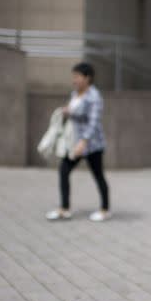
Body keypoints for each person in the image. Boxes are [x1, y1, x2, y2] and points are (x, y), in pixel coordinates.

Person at [45, 62, 110, 222]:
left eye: (77, 76)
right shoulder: (75, 94)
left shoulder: (94, 96)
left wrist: (84, 142)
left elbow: (94, 122)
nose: (74, 80)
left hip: (92, 145)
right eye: (73, 76)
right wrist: (66, 112)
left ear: (87, 78)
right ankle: (64, 208)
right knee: (64, 170)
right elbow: (74, 113)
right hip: (75, 142)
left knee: (98, 175)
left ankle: (104, 209)